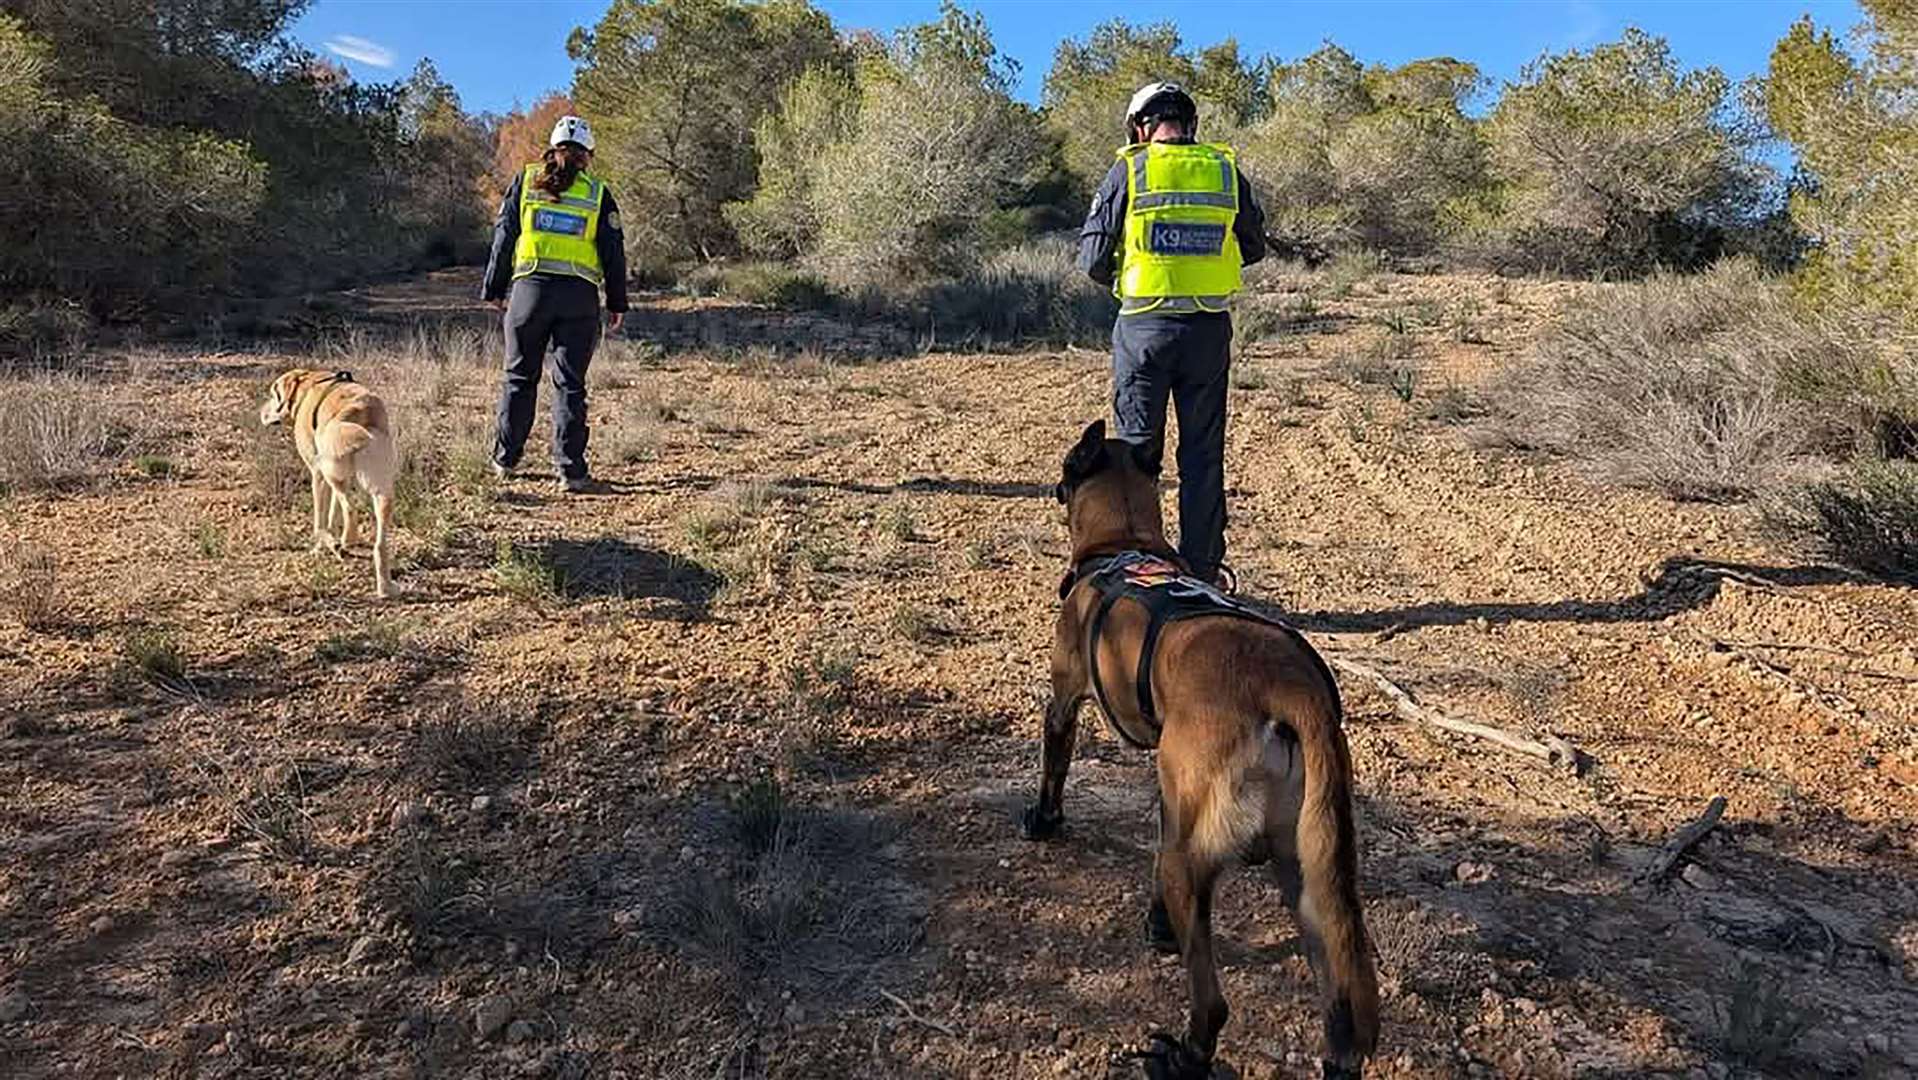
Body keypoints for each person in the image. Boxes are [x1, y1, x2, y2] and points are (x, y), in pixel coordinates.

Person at [1077, 82, 1266, 588]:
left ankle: (1142, 571)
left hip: (1144, 329)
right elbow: (1253, 245)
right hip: (1208, 329)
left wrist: (1133, 272)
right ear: (1189, 125)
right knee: (1203, 455)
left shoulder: (1130, 170)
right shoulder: (1225, 172)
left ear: (1140, 126)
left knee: (1138, 453)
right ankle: (1203, 571)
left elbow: (1093, 260)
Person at [481, 114, 629, 493]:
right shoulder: (598, 193)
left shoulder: (525, 181)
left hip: (529, 294)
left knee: (518, 378)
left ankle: (504, 460)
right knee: (570, 385)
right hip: (578, 298)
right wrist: (617, 301)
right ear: (588, 156)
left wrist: (494, 288)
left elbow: (505, 235)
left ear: (552, 148)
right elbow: (613, 252)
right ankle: (571, 472)